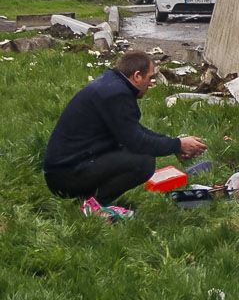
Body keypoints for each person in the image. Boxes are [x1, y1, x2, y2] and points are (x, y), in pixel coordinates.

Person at [42, 50, 207, 214]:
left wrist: (175, 145)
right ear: (137, 76)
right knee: (143, 162)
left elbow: (135, 131)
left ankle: (88, 200)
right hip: (65, 175)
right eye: (150, 78)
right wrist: (177, 144)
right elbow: (137, 141)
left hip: (68, 167)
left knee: (137, 154)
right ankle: (92, 206)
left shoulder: (112, 85)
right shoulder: (116, 94)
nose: (151, 83)